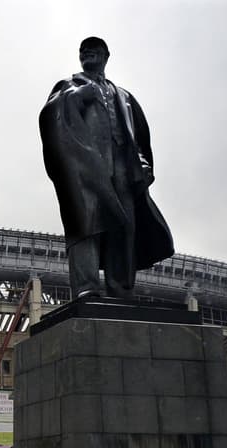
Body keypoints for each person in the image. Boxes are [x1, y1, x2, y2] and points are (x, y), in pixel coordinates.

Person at [39, 36, 174, 300]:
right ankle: (86, 286)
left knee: (124, 227)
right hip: (87, 170)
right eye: (83, 50)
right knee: (86, 224)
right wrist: (75, 98)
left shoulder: (123, 96)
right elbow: (49, 118)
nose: (88, 52)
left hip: (123, 168)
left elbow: (138, 133)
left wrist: (142, 162)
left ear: (106, 56)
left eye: (94, 49)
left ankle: (120, 286)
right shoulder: (68, 85)